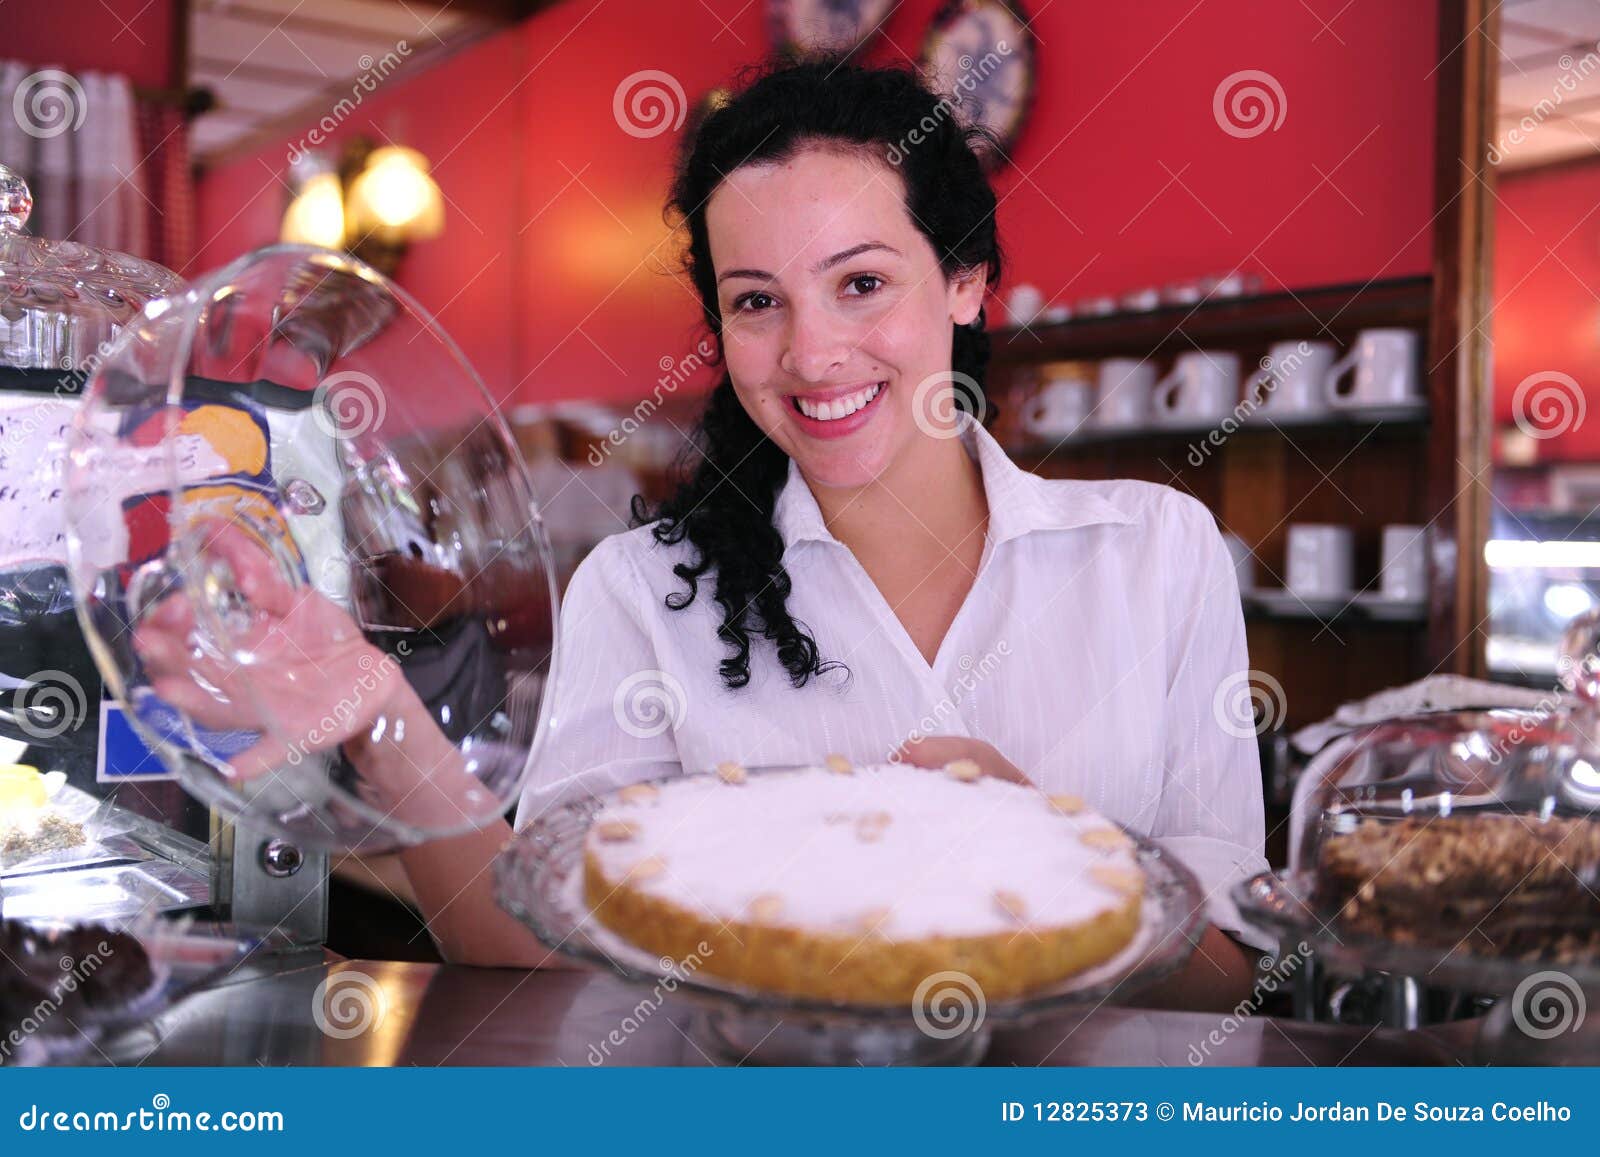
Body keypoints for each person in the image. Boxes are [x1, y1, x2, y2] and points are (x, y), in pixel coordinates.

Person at [137, 58, 1269, 1009]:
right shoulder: (645, 588)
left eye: (862, 282)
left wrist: (1049, 854)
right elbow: (540, 947)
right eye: (757, 301)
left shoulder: (1155, 552)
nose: (813, 354)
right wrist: (380, 713)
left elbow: (1234, 989)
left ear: (965, 280)